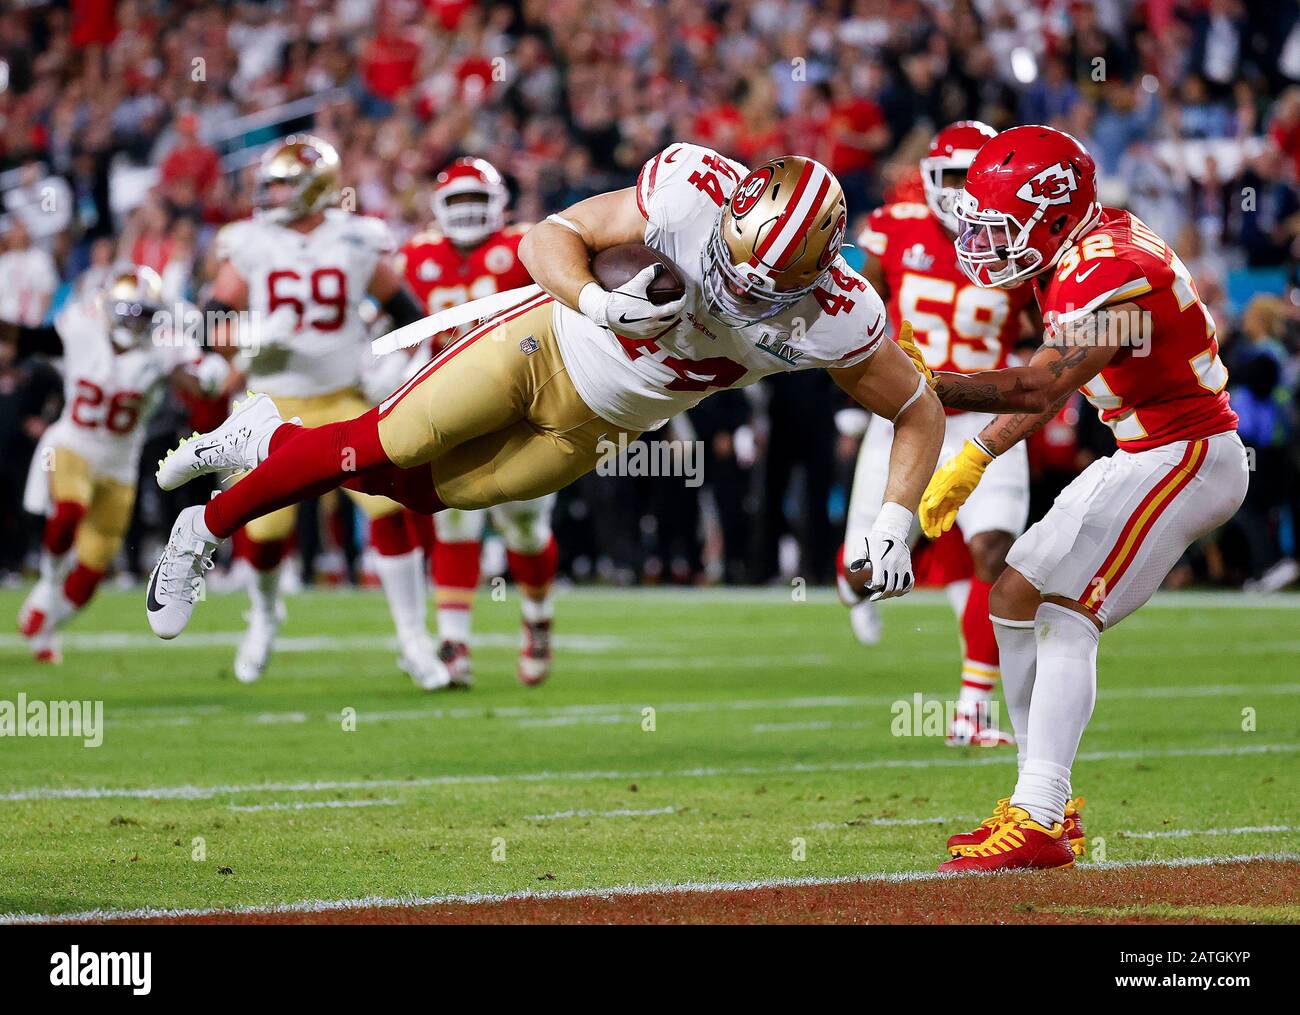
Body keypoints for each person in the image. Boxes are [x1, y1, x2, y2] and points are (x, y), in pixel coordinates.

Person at [145, 143, 946, 647]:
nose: (735, 285)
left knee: (422, 495)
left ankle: (270, 442)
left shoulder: (842, 314)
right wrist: (598, 303)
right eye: (733, 261)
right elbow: (547, 237)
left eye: (763, 282)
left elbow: (917, 407)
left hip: (602, 424)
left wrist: (892, 518)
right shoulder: (688, 189)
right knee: (384, 443)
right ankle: (199, 528)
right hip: (545, 343)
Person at [918, 126, 1246, 872]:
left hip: (1188, 453)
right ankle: (1046, 804)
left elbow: (1042, 383)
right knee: (1013, 594)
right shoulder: (1082, 250)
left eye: (999, 228)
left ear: (1055, 215)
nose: (983, 243)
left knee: (1067, 610)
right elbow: (1049, 382)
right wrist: (977, 452)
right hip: (1142, 449)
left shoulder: (1109, 269)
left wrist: (925, 385)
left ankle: (1037, 815)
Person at [187, 134, 441, 688]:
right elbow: (209, 323)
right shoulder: (250, 241)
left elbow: (408, 313)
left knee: (387, 509)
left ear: (314, 187)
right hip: (268, 407)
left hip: (341, 399)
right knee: (265, 525)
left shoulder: (355, 238)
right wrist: (250, 341)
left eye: (281, 183)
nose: (270, 193)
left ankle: (413, 639)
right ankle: (263, 617)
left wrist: (391, 364)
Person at [845, 121, 1039, 746]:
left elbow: (1052, 325)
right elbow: (858, 311)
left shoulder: (1016, 242)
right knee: (862, 569)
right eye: (948, 177)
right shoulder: (894, 227)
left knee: (994, 551)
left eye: (968, 176)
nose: (958, 192)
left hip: (985, 415)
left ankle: (973, 712)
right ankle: (854, 592)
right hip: (907, 415)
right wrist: (858, 397)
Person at [8, 266, 227, 661]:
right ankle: (47, 586)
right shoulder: (81, 327)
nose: (136, 321)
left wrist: (209, 374)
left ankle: (47, 626)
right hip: (72, 444)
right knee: (69, 511)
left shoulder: (164, 349)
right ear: (109, 307)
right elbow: (29, 338)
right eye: (130, 311)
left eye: (145, 313)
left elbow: (197, 379)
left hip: (120, 466)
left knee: (91, 573)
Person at [399, 158, 559, 686]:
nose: (467, 212)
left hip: (523, 405)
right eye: (457, 202)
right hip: (453, 404)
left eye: (476, 201)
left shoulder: (525, 247)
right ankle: (453, 643)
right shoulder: (417, 256)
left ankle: (537, 618)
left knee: (526, 526)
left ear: (500, 204)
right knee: (455, 518)